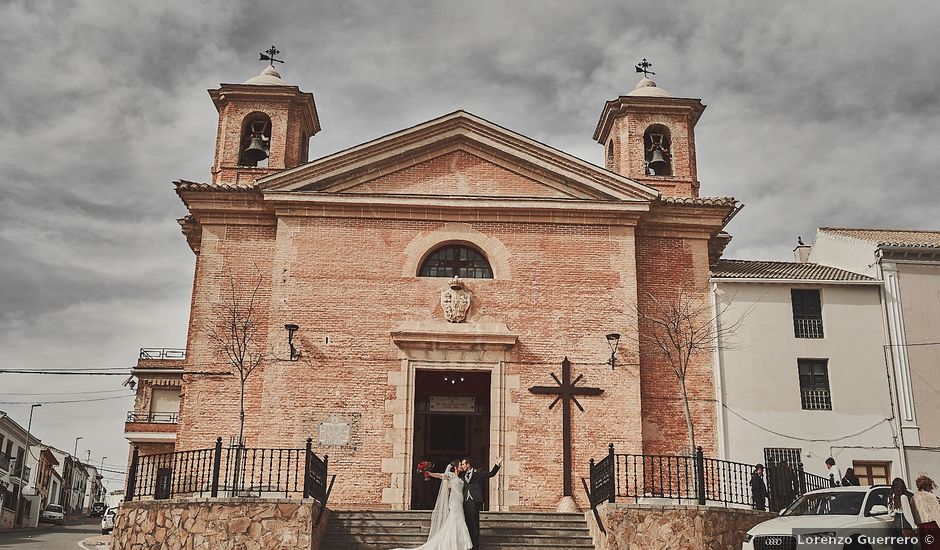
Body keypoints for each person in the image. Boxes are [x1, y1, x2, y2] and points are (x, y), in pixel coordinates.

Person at [392, 460, 472, 550]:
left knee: (459, 518)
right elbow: (440, 475)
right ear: (455, 467)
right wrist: (430, 473)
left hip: (460, 500)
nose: (461, 466)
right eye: (460, 464)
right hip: (454, 501)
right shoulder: (451, 475)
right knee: (456, 519)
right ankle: (453, 544)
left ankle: (457, 542)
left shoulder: (461, 478)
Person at [460, 456, 501, 550]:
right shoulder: (463, 475)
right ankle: (468, 545)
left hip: (475, 500)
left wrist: (497, 464)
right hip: (466, 501)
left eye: (463, 464)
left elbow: (491, 474)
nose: (462, 466)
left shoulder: (478, 473)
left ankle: (475, 547)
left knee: (474, 523)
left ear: (468, 465)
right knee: (467, 523)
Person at [888, 478, 918, 550]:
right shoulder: (903, 497)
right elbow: (908, 514)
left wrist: (896, 511)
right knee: (907, 546)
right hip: (904, 524)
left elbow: (890, 514)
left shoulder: (891, 497)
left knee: (898, 547)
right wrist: (914, 526)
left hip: (895, 525)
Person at [913, 474, 940, 549]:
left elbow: (914, 513)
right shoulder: (930, 496)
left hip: (922, 527)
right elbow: (937, 513)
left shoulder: (913, 497)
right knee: (936, 546)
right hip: (933, 525)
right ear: (928, 486)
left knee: (926, 547)